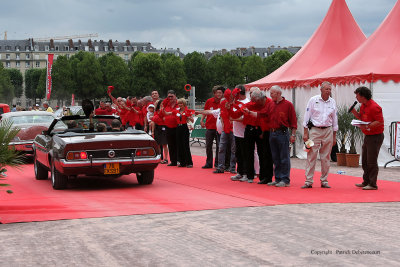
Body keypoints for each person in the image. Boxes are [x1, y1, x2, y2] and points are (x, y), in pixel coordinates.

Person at [257, 85, 297, 187]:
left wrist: (293, 135)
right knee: (275, 157)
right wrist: (250, 113)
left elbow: (293, 121)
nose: (270, 95)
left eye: (272, 93)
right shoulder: (271, 104)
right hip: (272, 133)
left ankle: (285, 179)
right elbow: (263, 114)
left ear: (278, 93)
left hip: (282, 133)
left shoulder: (288, 105)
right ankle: (278, 178)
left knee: (284, 157)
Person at [301, 82, 338, 189]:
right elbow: (306, 116)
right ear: (321, 90)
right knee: (311, 155)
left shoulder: (332, 102)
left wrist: (334, 135)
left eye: (330, 89)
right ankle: (308, 181)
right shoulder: (313, 100)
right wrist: (305, 133)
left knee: (326, 157)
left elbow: (335, 119)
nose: (328, 91)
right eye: (326, 89)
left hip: (328, 130)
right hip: (314, 131)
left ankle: (324, 181)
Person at [351, 86, 384, 190]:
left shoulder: (375, 107)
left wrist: (367, 126)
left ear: (362, 96)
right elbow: (362, 117)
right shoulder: (363, 105)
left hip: (375, 136)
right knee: (365, 160)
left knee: (371, 161)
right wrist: (354, 113)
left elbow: (379, 121)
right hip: (368, 135)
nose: (356, 97)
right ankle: (366, 181)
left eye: (357, 95)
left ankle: (373, 184)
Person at [164, 98, 194, 168]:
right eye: (179, 103)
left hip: (184, 128)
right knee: (179, 145)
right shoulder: (176, 111)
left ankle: (189, 162)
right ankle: (182, 162)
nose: (180, 105)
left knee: (185, 145)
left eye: (181, 103)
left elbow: (192, 120)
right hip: (178, 128)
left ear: (184, 104)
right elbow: (167, 113)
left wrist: (189, 117)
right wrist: (163, 108)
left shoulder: (187, 111)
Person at [229, 85, 250, 181]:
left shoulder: (247, 103)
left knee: (245, 154)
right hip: (236, 132)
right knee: (238, 154)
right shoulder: (235, 102)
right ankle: (240, 172)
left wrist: (233, 119)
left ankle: (246, 173)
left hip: (244, 132)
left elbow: (245, 118)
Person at [200, 86, 223, 169]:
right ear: (214, 93)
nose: (219, 94)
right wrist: (202, 120)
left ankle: (217, 163)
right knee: (208, 146)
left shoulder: (223, 102)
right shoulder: (209, 101)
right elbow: (205, 111)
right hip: (210, 126)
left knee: (219, 147)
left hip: (219, 128)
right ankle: (208, 163)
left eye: (220, 93)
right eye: (218, 93)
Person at [162, 90, 179, 166]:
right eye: (169, 96)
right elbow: (161, 105)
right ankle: (173, 161)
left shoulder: (179, 104)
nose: (170, 98)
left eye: (172, 96)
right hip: (168, 127)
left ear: (175, 95)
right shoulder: (166, 104)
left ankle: (179, 160)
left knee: (177, 144)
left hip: (177, 127)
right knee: (171, 144)